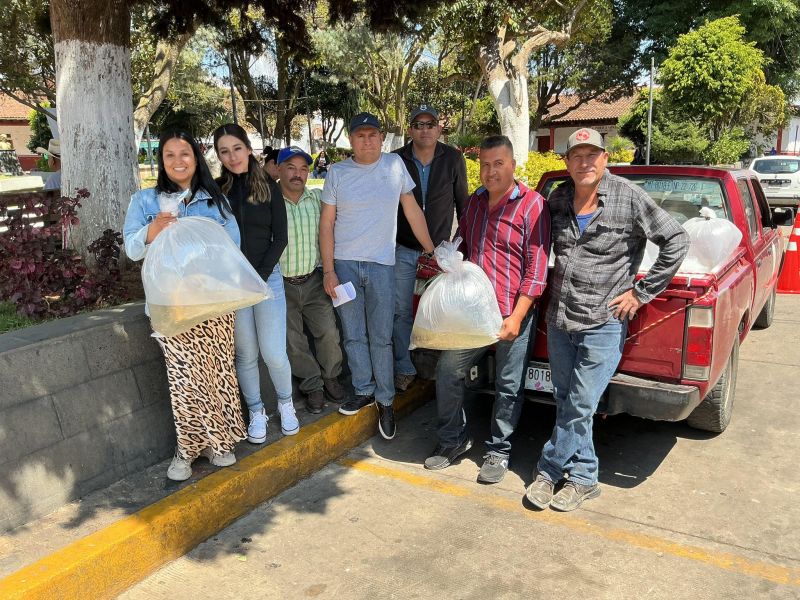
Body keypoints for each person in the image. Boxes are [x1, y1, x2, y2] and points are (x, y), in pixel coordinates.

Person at [526, 128, 689, 512]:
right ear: (565, 162)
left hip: (603, 321)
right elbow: (532, 239)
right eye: (576, 156)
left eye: (592, 155)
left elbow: (677, 239)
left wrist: (641, 293)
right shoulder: (559, 198)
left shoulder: (629, 198)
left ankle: (548, 471)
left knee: (581, 404)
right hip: (563, 319)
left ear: (605, 158)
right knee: (566, 399)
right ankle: (585, 477)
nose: (585, 162)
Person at [123, 130, 245, 482]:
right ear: (161, 161)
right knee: (183, 379)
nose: (178, 161)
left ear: (196, 158)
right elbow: (132, 249)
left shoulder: (214, 200)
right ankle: (186, 449)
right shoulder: (145, 201)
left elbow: (231, 248)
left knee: (218, 371)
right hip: (170, 305)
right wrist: (152, 231)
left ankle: (220, 443)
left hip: (212, 301)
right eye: (170, 155)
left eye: (185, 154)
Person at [427, 135, 550, 484]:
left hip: (513, 313)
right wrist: (450, 259)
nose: (490, 171)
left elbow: (537, 269)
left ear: (513, 165)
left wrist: (517, 316)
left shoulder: (533, 205)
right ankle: (453, 441)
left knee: (509, 386)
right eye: (484, 164)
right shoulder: (475, 203)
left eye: (498, 163)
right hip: (473, 312)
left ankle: (498, 450)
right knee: (448, 370)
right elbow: (464, 244)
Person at [320, 112, 435, 440]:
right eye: (360, 135)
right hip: (345, 265)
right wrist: (329, 271)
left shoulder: (394, 167)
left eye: (372, 134)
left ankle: (385, 400)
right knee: (354, 334)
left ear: (381, 138)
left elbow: (412, 210)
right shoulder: (337, 173)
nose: (366, 140)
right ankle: (363, 388)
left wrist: (430, 249)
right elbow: (327, 224)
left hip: (383, 265)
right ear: (351, 139)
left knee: (381, 336)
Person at [213, 123, 299, 444]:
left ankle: (286, 404)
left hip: (266, 280)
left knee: (274, 353)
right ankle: (256, 411)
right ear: (219, 156)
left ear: (248, 148)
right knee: (246, 355)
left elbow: (281, 238)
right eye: (224, 151)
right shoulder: (218, 190)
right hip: (233, 286)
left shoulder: (268, 187)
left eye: (237, 148)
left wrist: (259, 277)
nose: (232, 156)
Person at [392, 104, 468, 392]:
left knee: (439, 309)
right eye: (418, 124)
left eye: (430, 124)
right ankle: (404, 366)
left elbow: (464, 205)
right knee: (401, 312)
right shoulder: (396, 159)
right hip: (402, 249)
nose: (424, 129)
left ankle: (436, 363)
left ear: (439, 129)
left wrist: (461, 247)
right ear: (410, 129)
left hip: (440, 250)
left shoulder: (453, 158)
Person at [277, 146, 345, 413]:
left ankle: (331, 377)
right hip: (282, 284)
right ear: (279, 170)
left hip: (315, 280)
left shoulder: (317, 199)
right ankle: (313, 386)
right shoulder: (270, 202)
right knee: (293, 341)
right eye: (291, 168)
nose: (298, 174)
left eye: (303, 168)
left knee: (329, 333)